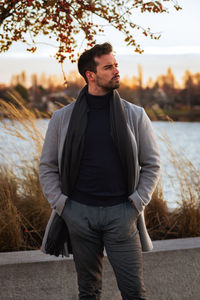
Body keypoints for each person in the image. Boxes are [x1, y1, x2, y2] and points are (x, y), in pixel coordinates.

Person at [39, 42, 161, 300]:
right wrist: (63, 207)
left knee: (134, 292)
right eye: (109, 67)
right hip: (79, 215)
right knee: (89, 292)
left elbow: (152, 164)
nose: (116, 71)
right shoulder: (62, 118)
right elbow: (47, 167)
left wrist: (136, 204)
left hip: (122, 215)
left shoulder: (135, 115)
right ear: (90, 75)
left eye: (116, 65)